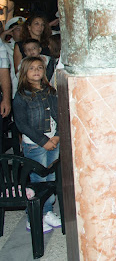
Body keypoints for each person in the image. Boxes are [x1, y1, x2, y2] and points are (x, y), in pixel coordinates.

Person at [13, 56, 62, 233]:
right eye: (32, 68)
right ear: (25, 72)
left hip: (53, 142)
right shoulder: (21, 96)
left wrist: (56, 137)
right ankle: (32, 216)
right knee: (37, 180)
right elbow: (22, 124)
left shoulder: (50, 91)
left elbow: (59, 114)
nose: (36, 71)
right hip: (35, 144)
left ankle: (47, 211)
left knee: (50, 179)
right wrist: (43, 141)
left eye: (40, 67)